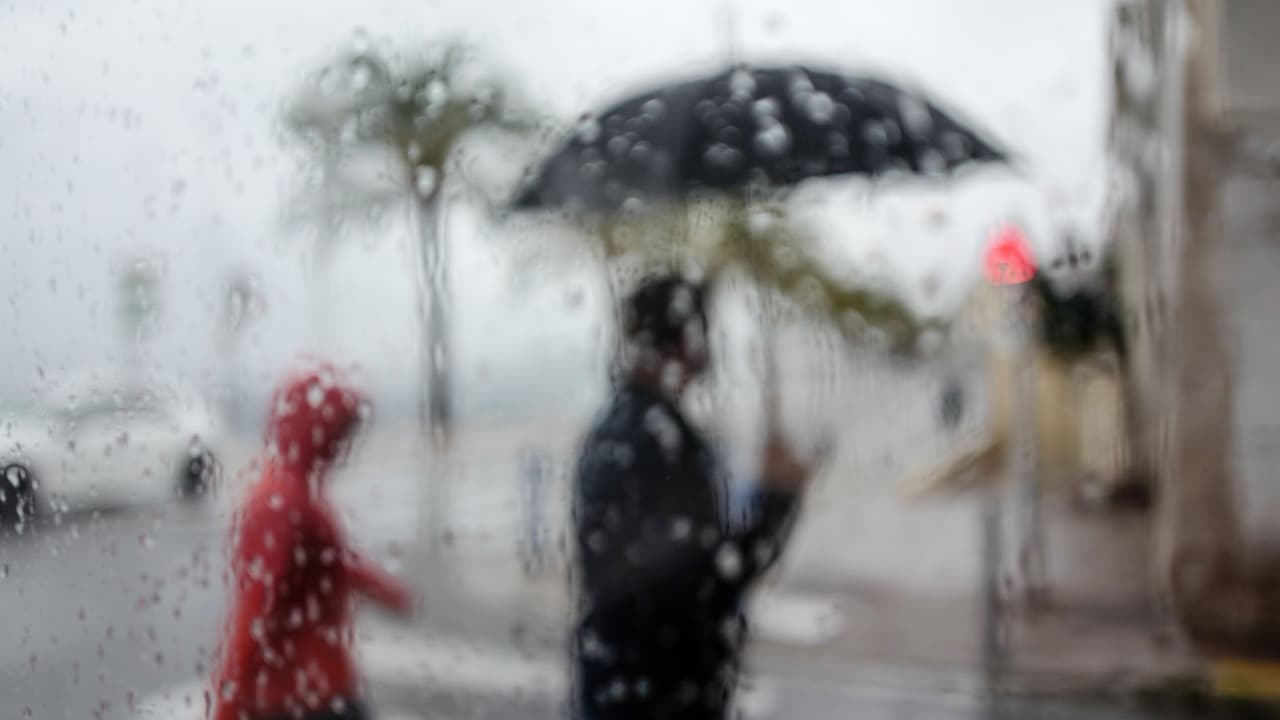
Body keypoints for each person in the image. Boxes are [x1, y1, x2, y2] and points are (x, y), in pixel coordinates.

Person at [573, 274, 817, 720]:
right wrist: (778, 499)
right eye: (703, 330)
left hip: (625, 686)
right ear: (688, 340)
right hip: (662, 695)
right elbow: (709, 585)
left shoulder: (619, 429)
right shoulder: (660, 442)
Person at [210, 363, 413, 720]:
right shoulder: (279, 501)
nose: (342, 446)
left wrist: (384, 590)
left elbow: (331, 561)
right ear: (311, 429)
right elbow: (253, 610)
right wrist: (225, 708)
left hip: (317, 688)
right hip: (295, 699)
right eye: (337, 432)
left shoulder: (299, 490)